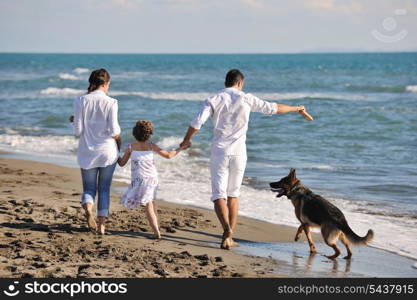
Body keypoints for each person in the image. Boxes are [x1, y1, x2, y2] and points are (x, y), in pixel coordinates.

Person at [180, 69, 308, 250]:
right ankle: (230, 235)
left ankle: (226, 231)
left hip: (220, 152)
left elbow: (196, 123)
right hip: (239, 153)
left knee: (218, 196)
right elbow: (274, 108)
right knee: (233, 195)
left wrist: (186, 140)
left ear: (226, 82)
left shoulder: (213, 99)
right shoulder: (246, 98)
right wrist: (296, 108)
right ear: (240, 83)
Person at [71, 68, 121, 235]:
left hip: (87, 152)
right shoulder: (111, 102)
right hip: (107, 152)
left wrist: (74, 121)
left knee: (89, 188)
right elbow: (114, 131)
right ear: (106, 83)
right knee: (104, 188)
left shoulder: (80, 100)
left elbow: (78, 131)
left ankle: (88, 206)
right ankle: (101, 227)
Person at [118, 120, 188, 239]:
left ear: (134, 133)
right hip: (153, 179)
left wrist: (114, 154)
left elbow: (121, 163)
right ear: (149, 134)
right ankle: (156, 228)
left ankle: (156, 232)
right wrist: (180, 148)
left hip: (139, 180)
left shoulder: (131, 147)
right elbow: (168, 155)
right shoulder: (151, 146)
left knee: (149, 204)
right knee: (151, 202)